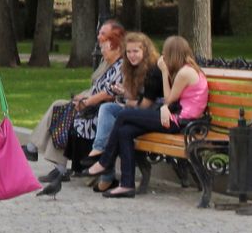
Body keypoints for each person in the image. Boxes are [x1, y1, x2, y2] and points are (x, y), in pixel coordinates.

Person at [88, 36, 210, 197]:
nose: (163, 57)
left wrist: (165, 71)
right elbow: (173, 100)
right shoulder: (186, 69)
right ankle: (127, 185)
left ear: (173, 54)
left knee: (124, 115)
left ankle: (105, 161)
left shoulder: (185, 72)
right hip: (176, 117)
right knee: (125, 131)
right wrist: (166, 107)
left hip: (181, 122)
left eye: (166, 53)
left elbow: (169, 98)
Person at [24, 19, 126, 181]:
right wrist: (82, 97)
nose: (99, 39)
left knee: (64, 111)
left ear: (114, 42)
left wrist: (84, 101)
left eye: (103, 35)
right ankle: (54, 164)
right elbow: (97, 89)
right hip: (94, 108)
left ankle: (50, 161)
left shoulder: (120, 65)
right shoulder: (107, 62)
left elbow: (108, 93)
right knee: (60, 107)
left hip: (101, 114)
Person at [85, 32, 163, 192]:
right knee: (108, 110)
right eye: (129, 52)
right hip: (140, 112)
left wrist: (127, 102)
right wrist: (123, 93)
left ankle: (104, 162)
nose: (132, 56)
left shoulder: (153, 71)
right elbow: (134, 97)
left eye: (136, 51)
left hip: (157, 114)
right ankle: (103, 155)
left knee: (121, 117)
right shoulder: (132, 68)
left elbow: (145, 106)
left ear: (145, 51)